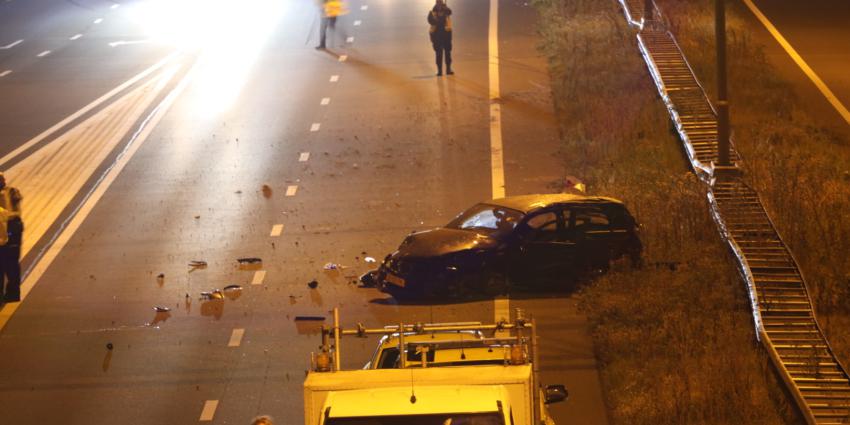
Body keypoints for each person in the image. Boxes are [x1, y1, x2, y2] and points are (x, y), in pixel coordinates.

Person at [0, 172, 23, 303]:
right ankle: (11, 294)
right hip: (8, 228)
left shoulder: (11, 192)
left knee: (11, 263)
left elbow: (15, 212)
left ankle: (13, 293)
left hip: (11, 227)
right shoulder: (12, 191)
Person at [428, 0, 453, 76]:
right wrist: (437, 20)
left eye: (440, 2)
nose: (439, 4)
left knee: (448, 53)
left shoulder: (446, 10)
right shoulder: (432, 12)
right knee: (438, 54)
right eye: (438, 2)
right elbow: (430, 20)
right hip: (437, 36)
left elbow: (450, 12)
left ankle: (448, 69)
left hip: (446, 35)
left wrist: (445, 8)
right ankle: (439, 70)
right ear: (436, 3)